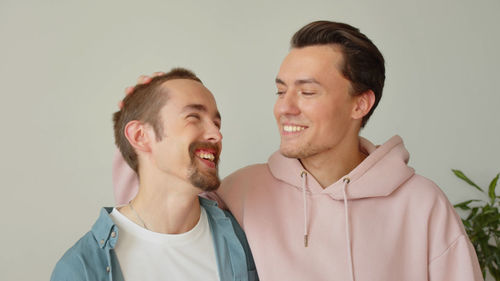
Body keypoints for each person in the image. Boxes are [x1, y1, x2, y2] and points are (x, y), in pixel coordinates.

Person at [113, 22, 483, 280]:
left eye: (307, 92)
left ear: (360, 104)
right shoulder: (241, 193)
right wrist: (144, 122)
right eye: (280, 91)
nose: (284, 107)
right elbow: (152, 228)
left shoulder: (422, 205)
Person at [51, 68, 258, 281]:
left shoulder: (245, 238)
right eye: (193, 117)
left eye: (216, 123)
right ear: (140, 136)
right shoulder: (81, 269)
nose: (217, 134)